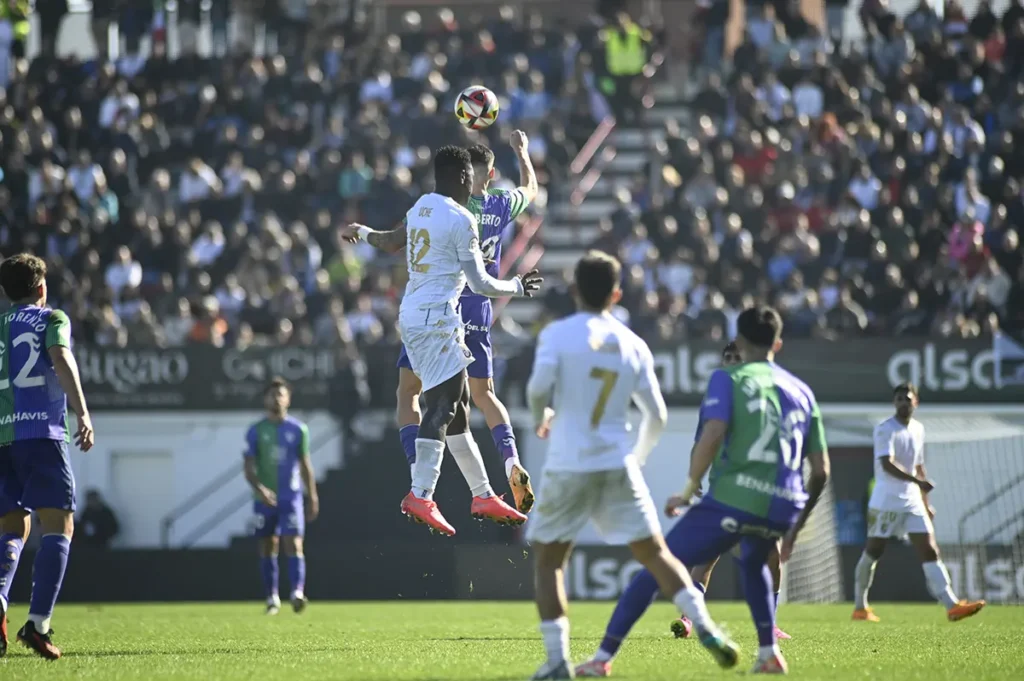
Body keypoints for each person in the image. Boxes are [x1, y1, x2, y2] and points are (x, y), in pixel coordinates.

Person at [576, 305, 828, 676]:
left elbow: (711, 436)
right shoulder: (803, 392)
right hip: (784, 505)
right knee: (756, 561)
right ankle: (769, 652)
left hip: (736, 497)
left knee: (658, 565)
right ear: (778, 343)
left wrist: (688, 488)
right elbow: (820, 471)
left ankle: (602, 659)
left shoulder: (727, 379)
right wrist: (797, 524)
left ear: (740, 342)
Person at [525, 251, 738, 680]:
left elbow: (537, 389)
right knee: (658, 555)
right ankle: (707, 626)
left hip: (569, 463)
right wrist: (636, 458)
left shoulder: (557, 334)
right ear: (617, 293)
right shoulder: (633, 343)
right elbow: (656, 415)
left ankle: (557, 664)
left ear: (573, 291)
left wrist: (541, 416)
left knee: (550, 562)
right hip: (618, 463)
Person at [344, 134, 540, 523]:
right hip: (442, 319)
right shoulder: (465, 217)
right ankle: (421, 492)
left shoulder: (421, 208)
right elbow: (481, 282)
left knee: (454, 408)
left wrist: (363, 232)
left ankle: (483, 495)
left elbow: (390, 242)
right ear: (465, 176)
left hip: (414, 315)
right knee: (446, 405)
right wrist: (517, 286)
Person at [0, 253, 94, 660]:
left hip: (2, 438)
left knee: (12, 529)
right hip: (42, 433)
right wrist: (83, 411)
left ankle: (1, 601)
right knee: (58, 525)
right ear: (41, 287)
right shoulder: (52, 317)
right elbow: (60, 357)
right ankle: (37, 625)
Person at [671, 342, 791, 642]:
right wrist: (693, 476)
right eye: (728, 357)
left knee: (773, 558)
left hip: (757, 490)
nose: (734, 362)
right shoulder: (715, 397)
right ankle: (688, 619)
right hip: (724, 489)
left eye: (738, 357)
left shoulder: (763, 395)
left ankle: (771, 624)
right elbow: (703, 438)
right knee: (707, 556)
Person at [852, 383, 985, 623]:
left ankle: (951, 605)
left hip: (912, 500)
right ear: (894, 403)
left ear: (916, 402)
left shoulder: (918, 429)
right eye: (899, 399)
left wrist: (926, 501)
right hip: (886, 501)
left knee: (930, 549)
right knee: (874, 551)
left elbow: (918, 465)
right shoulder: (885, 430)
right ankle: (860, 607)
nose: (903, 402)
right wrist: (918, 482)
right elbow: (887, 464)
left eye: (907, 398)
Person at [243, 377, 320, 615]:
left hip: (291, 497)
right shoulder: (256, 431)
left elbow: (305, 464)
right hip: (264, 499)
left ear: (288, 399)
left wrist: (313, 496)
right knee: (268, 545)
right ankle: (272, 597)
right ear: (265, 399)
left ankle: (297, 592)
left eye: (280, 394)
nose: (276, 398)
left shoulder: (298, 429)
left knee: (294, 543)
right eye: (272, 394)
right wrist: (260, 489)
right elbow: (248, 467)